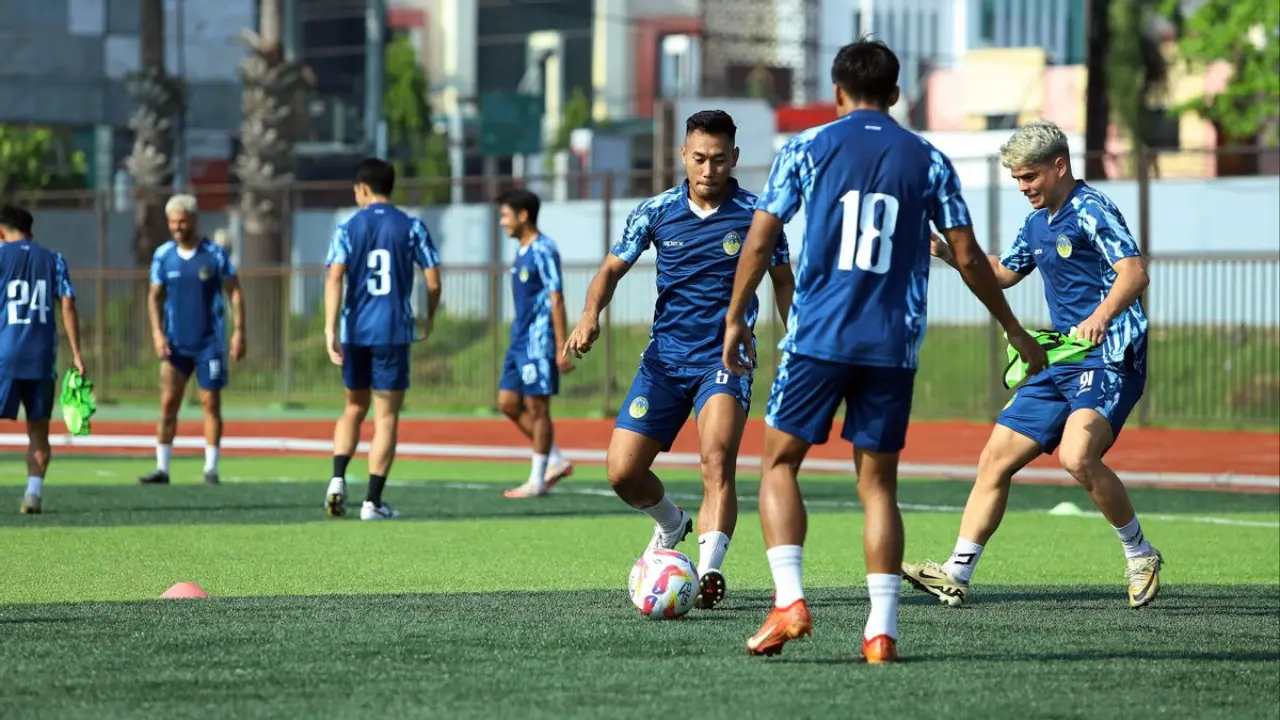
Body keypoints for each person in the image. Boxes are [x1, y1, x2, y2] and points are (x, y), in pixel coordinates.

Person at [720, 39, 1046, 662]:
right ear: (895, 94)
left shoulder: (805, 148)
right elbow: (971, 258)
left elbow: (760, 243)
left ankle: (789, 600)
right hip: (892, 345)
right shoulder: (928, 159)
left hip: (816, 336)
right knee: (877, 488)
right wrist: (1013, 327)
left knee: (780, 464)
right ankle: (881, 632)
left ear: (837, 93)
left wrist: (736, 317)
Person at [902, 119, 1162, 609]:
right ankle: (956, 573)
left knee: (1076, 457)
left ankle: (1140, 553)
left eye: (1029, 177)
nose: (1023, 188)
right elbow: (1001, 274)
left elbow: (1134, 273)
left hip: (1108, 356)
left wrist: (1101, 315)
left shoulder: (1091, 209)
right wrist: (943, 250)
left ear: (1059, 165)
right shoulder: (1036, 222)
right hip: (1060, 357)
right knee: (994, 459)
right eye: (1017, 179)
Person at [564, 110, 795, 610]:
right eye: (698, 159)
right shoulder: (656, 210)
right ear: (682, 156)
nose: (708, 170)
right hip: (663, 362)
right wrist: (589, 315)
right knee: (622, 473)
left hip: (725, 359)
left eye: (717, 159)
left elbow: (781, 281)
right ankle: (672, 523)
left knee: (717, 460)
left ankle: (709, 571)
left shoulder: (760, 215)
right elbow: (609, 270)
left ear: (734, 158)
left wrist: (793, 337)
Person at [323, 158, 442, 520]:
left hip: (355, 331)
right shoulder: (411, 226)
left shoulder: (347, 227)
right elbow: (433, 280)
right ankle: (372, 502)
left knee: (353, 408)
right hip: (392, 331)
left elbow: (334, 278)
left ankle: (337, 479)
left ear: (362, 189)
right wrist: (429, 316)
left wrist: (330, 329)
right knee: (386, 417)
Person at [140, 195, 245, 486]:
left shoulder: (214, 254)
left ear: (194, 220)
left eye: (182, 221)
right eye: (172, 222)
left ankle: (211, 468)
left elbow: (234, 291)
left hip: (208, 343)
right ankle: (162, 468)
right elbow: (154, 297)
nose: (177, 227)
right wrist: (157, 333)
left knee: (210, 403)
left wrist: (239, 331)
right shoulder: (163, 256)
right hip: (175, 343)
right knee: (168, 404)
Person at [0, 205, 85, 515]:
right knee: (38, 430)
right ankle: (33, 494)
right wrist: (76, 353)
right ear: (31, 233)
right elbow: (68, 305)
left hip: (4, 357)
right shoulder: (54, 259)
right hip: (41, 359)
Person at [494, 188, 575, 499]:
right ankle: (554, 458)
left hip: (538, 342)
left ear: (523, 215)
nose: (502, 222)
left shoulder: (544, 249)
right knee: (507, 403)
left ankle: (537, 479)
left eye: (505, 215)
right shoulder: (521, 250)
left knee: (537, 408)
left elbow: (556, 297)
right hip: (519, 340)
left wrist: (559, 347)